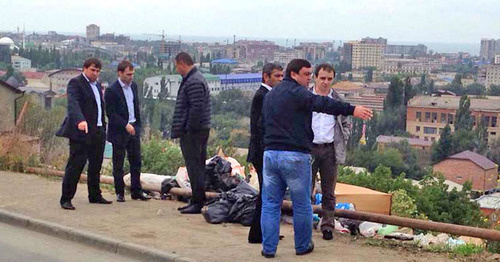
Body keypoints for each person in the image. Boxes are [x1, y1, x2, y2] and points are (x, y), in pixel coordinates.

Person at [260, 59, 372, 258]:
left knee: (270, 204)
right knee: (302, 203)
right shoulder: (299, 93)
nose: (309, 78)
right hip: (294, 155)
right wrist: (352, 109)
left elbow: (261, 124)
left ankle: (268, 249)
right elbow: (321, 103)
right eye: (306, 74)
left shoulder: (271, 94)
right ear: (293, 74)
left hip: (270, 154)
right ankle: (302, 246)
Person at [56, 58, 112, 210]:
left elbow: (100, 107)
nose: (95, 73)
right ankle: (66, 198)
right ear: (85, 68)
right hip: (82, 131)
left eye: (97, 71)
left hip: (98, 131)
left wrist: (103, 126)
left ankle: (94, 195)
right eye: (92, 70)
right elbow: (73, 103)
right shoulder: (76, 83)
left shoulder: (98, 85)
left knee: (96, 165)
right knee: (76, 165)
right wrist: (80, 120)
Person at [310, 63, 351, 240]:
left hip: (329, 149)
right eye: (322, 78)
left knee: (329, 191)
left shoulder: (338, 100)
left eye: (329, 79)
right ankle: (305, 223)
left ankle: (327, 225)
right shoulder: (305, 97)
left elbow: (346, 123)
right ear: (315, 78)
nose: (326, 82)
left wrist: (343, 138)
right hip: (309, 148)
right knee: (305, 189)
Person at [247, 63, 284, 244]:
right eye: (276, 76)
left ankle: (264, 232)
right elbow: (259, 128)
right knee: (267, 194)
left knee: (268, 193)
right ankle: (257, 234)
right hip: (262, 152)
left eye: (281, 76)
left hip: (264, 151)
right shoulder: (263, 96)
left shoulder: (268, 95)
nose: (280, 80)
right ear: (266, 77)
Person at [171, 52, 211, 214]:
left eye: (176, 65)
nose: (176, 69)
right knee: (194, 166)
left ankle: (198, 202)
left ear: (182, 63)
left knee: (195, 167)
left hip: (194, 132)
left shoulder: (194, 81)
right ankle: (195, 199)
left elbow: (196, 108)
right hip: (196, 130)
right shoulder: (193, 78)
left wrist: (188, 129)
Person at [104, 60, 151, 202]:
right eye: (128, 74)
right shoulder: (112, 90)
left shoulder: (134, 86)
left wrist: (137, 126)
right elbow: (111, 114)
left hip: (133, 129)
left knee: (136, 161)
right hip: (119, 131)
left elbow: (136, 107)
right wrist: (125, 125)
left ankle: (136, 191)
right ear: (120, 73)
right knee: (119, 163)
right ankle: (120, 192)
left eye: (132, 74)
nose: (131, 77)